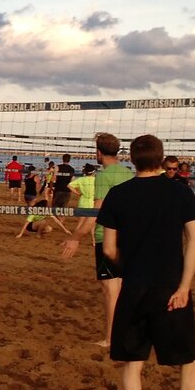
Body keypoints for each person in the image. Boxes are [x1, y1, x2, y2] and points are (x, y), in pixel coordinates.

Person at [97, 134, 195, 390]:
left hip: (135, 288)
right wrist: (185, 286)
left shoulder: (119, 194)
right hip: (172, 289)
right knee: (187, 362)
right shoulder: (179, 192)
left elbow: (108, 249)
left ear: (132, 159)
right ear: (162, 160)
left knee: (133, 363)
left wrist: (128, 267)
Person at [62, 133, 135, 348]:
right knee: (122, 287)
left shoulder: (104, 176)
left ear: (99, 152)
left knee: (110, 289)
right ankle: (125, 333)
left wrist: (76, 237)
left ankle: (111, 339)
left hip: (108, 237)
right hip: (128, 236)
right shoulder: (128, 173)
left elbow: (97, 211)